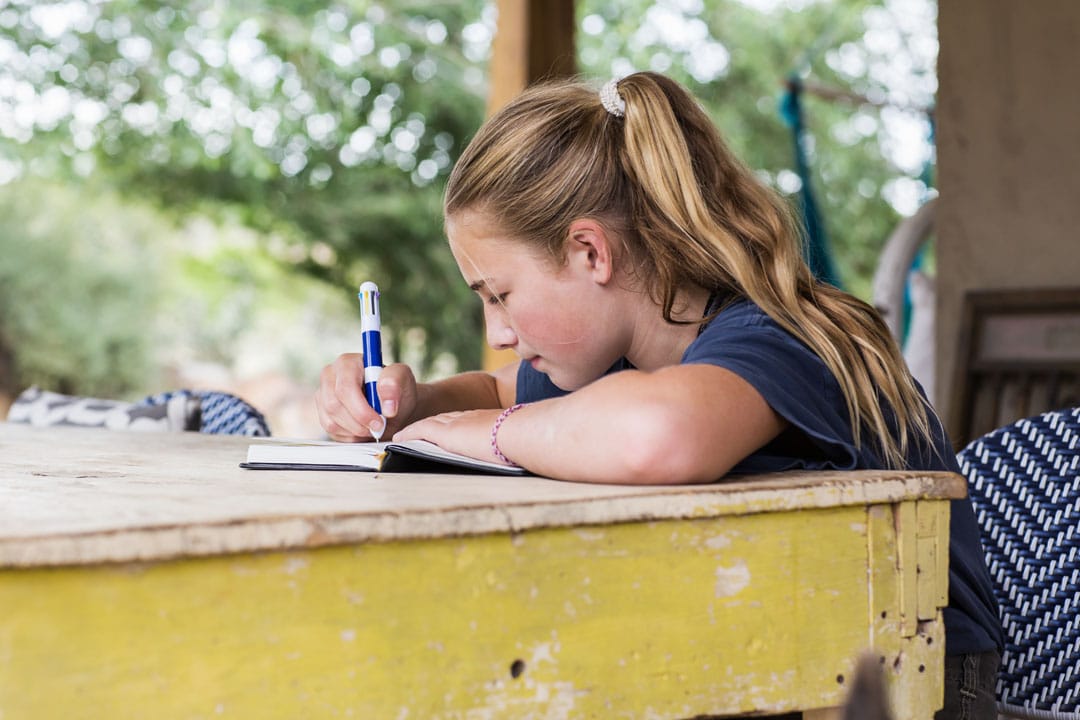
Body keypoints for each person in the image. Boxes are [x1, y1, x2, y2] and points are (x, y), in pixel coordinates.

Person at [316, 72, 1003, 719]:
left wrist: (465, 435)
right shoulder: (614, 359)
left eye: (501, 295)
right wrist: (412, 403)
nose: (497, 330)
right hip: (779, 661)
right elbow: (495, 389)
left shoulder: (778, 333)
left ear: (591, 252)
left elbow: (657, 437)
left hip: (908, 684)